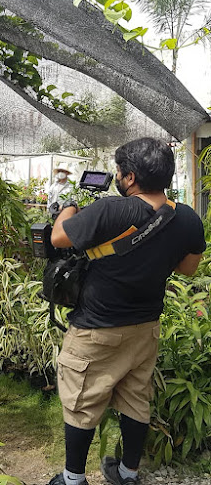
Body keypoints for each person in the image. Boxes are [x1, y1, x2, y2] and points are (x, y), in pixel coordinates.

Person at [48, 138, 205, 485]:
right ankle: (127, 473)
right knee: (136, 400)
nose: (117, 177)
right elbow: (189, 268)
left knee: (82, 401)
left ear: (130, 177)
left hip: (96, 329)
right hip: (145, 328)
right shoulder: (188, 218)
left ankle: (72, 479)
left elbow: (59, 237)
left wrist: (70, 207)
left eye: (119, 171)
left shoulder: (109, 210)